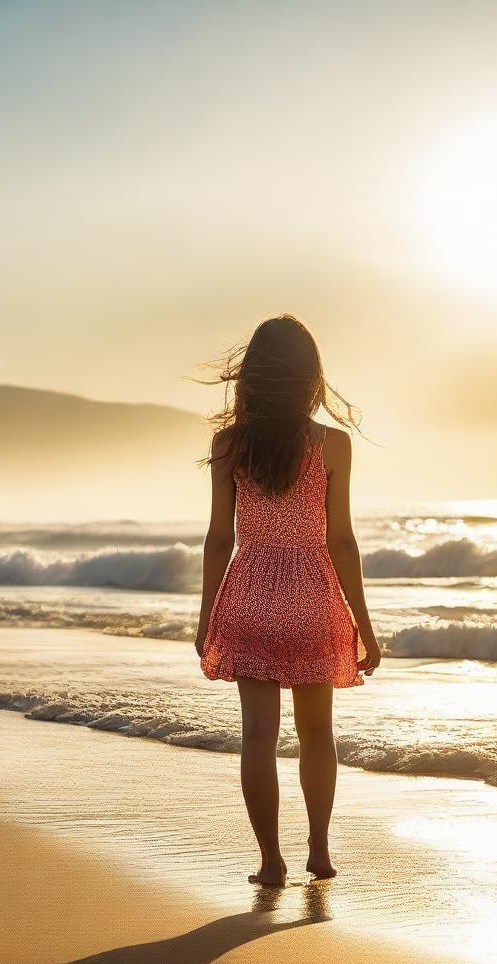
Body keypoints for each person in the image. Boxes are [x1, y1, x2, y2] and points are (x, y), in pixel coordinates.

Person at [195, 314, 381, 887]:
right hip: (312, 598)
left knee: (257, 735)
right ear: (310, 379)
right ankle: (319, 851)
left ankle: (270, 860)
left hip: (249, 593)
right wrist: (364, 625)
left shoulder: (229, 447)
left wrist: (205, 618)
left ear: (251, 377)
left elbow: (219, 539)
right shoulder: (332, 446)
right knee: (317, 735)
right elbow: (341, 540)